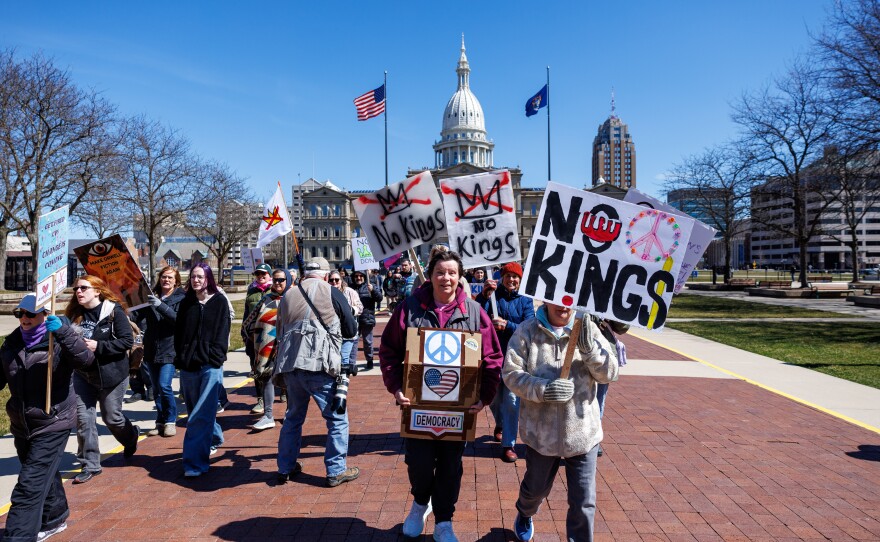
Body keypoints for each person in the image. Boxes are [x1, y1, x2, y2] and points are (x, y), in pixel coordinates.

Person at [379, 250, 503, 542]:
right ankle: (421, 502)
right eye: (439, 272)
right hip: (417, 408)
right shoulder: (410, 308)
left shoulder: (473, 311)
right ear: (431, 275)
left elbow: (493, 357)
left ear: (459, 276)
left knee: (450, 466)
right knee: (418, 463)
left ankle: (444, 520)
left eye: (451, 272)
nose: (445, 278)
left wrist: (484, 397)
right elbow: (389, 351)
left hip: (459, 411)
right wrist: (396, 387)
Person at [503, 304, 619, 542]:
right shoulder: (527, 331)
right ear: (546, 299)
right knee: (534, 490)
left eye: (568, 300)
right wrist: (543, 389)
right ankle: (525, 513)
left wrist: (589, 351)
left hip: (582, 432)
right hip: (541, 435)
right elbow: (511, 374)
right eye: (556, 299)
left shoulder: (590, 330)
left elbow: (610, 373)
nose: (562, 306)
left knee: (584, 500)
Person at [0, 295, 94, 542]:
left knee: (28, 486)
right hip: (23, 424)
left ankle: (18, 536)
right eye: (20, 313)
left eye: (31, 314)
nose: (24, 319)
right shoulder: (12, 343)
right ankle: (54, 517)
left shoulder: (59, 339)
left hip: (53, 421)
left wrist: (63, 333)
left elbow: (86, 360)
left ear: (46, 314)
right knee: (43, 474)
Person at [272, 257, 359, 487]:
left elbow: (279, 330)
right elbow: (351, 327)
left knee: (292, 418)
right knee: (337, 419)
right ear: (324, 274)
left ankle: (285, 467)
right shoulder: (330, 291)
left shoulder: (288, 295)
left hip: (291, 365)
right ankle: (335, 470)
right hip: (320, 363)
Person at [65, 275, 139, 485]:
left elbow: (126, 341)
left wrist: (99, 346)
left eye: (83, 288)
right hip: (82, 375)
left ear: (97, 290)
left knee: (112, 418)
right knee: (83, 419)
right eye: (76, 289)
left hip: (112, 375)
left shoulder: (113, 312)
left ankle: (130, 436)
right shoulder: (74, 314)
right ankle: (90, 464)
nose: (78, 292)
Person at [174, 263, 231, 478]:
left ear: (208, 278)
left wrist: (216, 357)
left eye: (200, 277)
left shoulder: (219, 302)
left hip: (210, 366)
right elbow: (179, 333)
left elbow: (223, 331)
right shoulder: (186, 303)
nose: (195, 280)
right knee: (194, 412)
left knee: (199, 416)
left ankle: (194, 463)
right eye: (193, 277)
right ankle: (214, 437)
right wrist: (181, 357)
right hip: (189, 366)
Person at [476, 262, 535, 463]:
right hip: (492, 354)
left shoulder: (525, 300)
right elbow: (478, 316)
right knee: (492, 398)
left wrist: (507, 325)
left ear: (520, 279)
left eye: (515, 277)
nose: (512, 280)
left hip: (515, 357)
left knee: (511, 400)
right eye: (508, 276)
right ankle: (500, 424)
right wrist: (484, 296)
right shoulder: (493, 295)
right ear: (502, 277)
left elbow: (529, 327)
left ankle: (508, 444)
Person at [133, 266, 186, 438]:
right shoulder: (151, 296)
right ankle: (160, 421)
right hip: (151, 349)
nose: (166, 280)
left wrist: (160, 305)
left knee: (164, 386)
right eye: (164, 277)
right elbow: (137, 316)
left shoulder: (181, 298)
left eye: (170, 277)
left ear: (176, 280)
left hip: (169, 349)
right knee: (156, 388)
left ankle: (171, 420)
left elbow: (178, 321)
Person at [241, 268, 293, 431]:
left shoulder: (294, 298)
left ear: (288, 281)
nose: (277, 283)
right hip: (266, 350)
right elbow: (248, 322)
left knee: (290, 381)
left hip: (290, 348)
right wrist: (255, 340)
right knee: (268, 379)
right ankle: (268, 415)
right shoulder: (266, 300)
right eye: (275, 280)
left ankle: (290, 413)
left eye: (281, 280)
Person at [592, 316, 628, 458]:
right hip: (576, 353)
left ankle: (594, 440)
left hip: (603, 355)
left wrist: (613, 314)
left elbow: (622, 328)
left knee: (598, 402)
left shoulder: (611, 295)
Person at [244, 263, 273, 415]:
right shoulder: (251, 291)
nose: (261, 277)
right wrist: (244, 333)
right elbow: (246, 313)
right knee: (256, 368)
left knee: (273, 367)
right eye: (258, 274)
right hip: (254, 337)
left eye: (264, 274)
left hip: (272, 336)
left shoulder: (275, 290)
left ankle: (281, 391)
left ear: (269, 275)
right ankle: (260, 399)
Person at [330, 270, 363, 375]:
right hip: (332, 333)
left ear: (341, 280)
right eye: (331, 280)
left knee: (344, 359)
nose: (334, 282)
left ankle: (342, 384)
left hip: (347, 331)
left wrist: (350, 310)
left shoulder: (350, 292)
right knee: (334, 360)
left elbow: (360, 308)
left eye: (336, 279)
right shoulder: (325, 292)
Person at [350, 270, 382, 371]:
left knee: (368, 341)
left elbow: (379, 298)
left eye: (360, 276)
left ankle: (369, 360)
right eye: (356, 276)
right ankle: (352, 363)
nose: (358, 278)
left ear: (364, 276)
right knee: (353, 341)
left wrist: (373, 290)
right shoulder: (351, 288)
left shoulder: (370, 285)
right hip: (353, 319)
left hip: (367, 318)